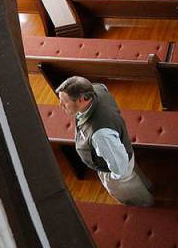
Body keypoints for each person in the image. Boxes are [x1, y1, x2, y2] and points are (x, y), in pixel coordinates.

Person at [55, 76, 154, 207]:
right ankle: (147, 187)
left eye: (64, 102)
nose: (60, 105)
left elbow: (120, 167)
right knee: (135, 176)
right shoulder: (97, 89)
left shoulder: (100, 134)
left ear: (81, 99)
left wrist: (114, 180)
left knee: (134, 198)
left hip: (115, 168)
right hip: (122, 148)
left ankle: (147, 207)